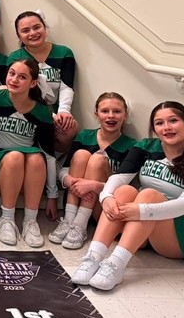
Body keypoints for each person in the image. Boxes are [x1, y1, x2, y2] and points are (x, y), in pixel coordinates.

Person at [71, 101, 184, 291]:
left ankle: (116, 265)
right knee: (124, 191)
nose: (166, 127)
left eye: (173, 121)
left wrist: (142, 209)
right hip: (144, 227)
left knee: (149, 194)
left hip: (182, 233)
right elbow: (119, 177)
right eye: (159, 123)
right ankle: (92, 258)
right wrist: (107, 197)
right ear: (154, 128)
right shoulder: (146, 147)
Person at [0, 58, 58, 248]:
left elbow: (49, 154)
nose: (14, 79)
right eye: (11, 73)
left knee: (36, 158)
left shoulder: (41, 112)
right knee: (15, 156)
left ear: (33, 83)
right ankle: (6, 219)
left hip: (28, 171)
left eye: (22, 77)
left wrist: (52, 196)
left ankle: (30, 221)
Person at [50, 92, 137, 250]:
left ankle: (80, 226)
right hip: (74, 200)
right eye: (105, 111)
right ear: (96, 114)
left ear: (125, 114)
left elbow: (125, 188)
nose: (111, 116)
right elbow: (64, 169)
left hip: (104, 203)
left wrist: (93, 185)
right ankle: (69, 221)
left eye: (117, 111)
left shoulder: (131, 146)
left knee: (97, 159)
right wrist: (68, 180)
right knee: (81, 154)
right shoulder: (84, 136)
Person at [9, 11, 79, 153]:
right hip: (27, 109)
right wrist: (49, 115)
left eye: (36, 27)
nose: (33, 33)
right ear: (19, 36)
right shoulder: (16, 58)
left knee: (69, 128)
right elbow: (17, 91)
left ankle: (56, 163)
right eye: (25, 30)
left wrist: (64, 111)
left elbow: (66, 87)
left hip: (55, 109)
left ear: (45, 28)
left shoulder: (64, 53)